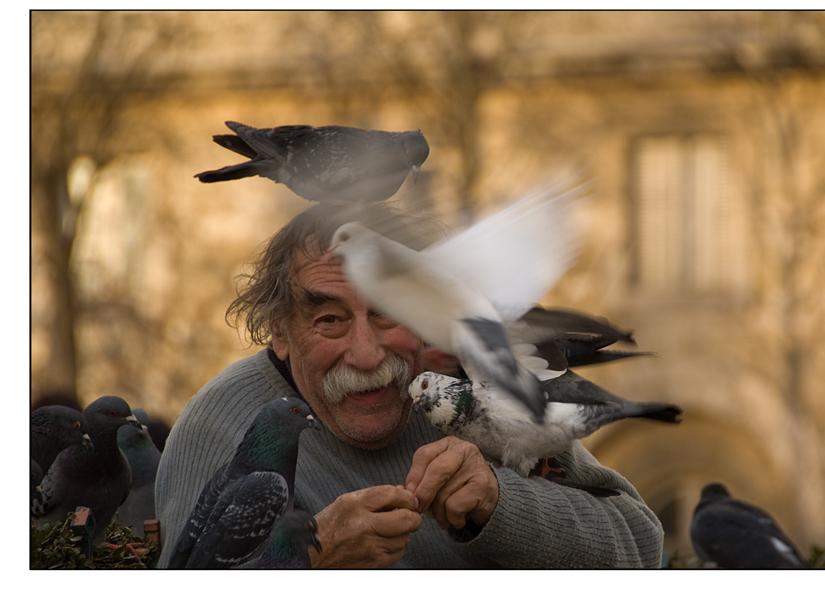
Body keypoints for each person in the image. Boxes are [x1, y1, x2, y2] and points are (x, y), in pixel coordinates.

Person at [154, 202, 664, 568]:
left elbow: (640, 546)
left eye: (389, 315)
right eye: (329, 320)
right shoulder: (217, 427)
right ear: (280, 333)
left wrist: (501, 506)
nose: (367, 353)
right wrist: (311, 561)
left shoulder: (469, 386)